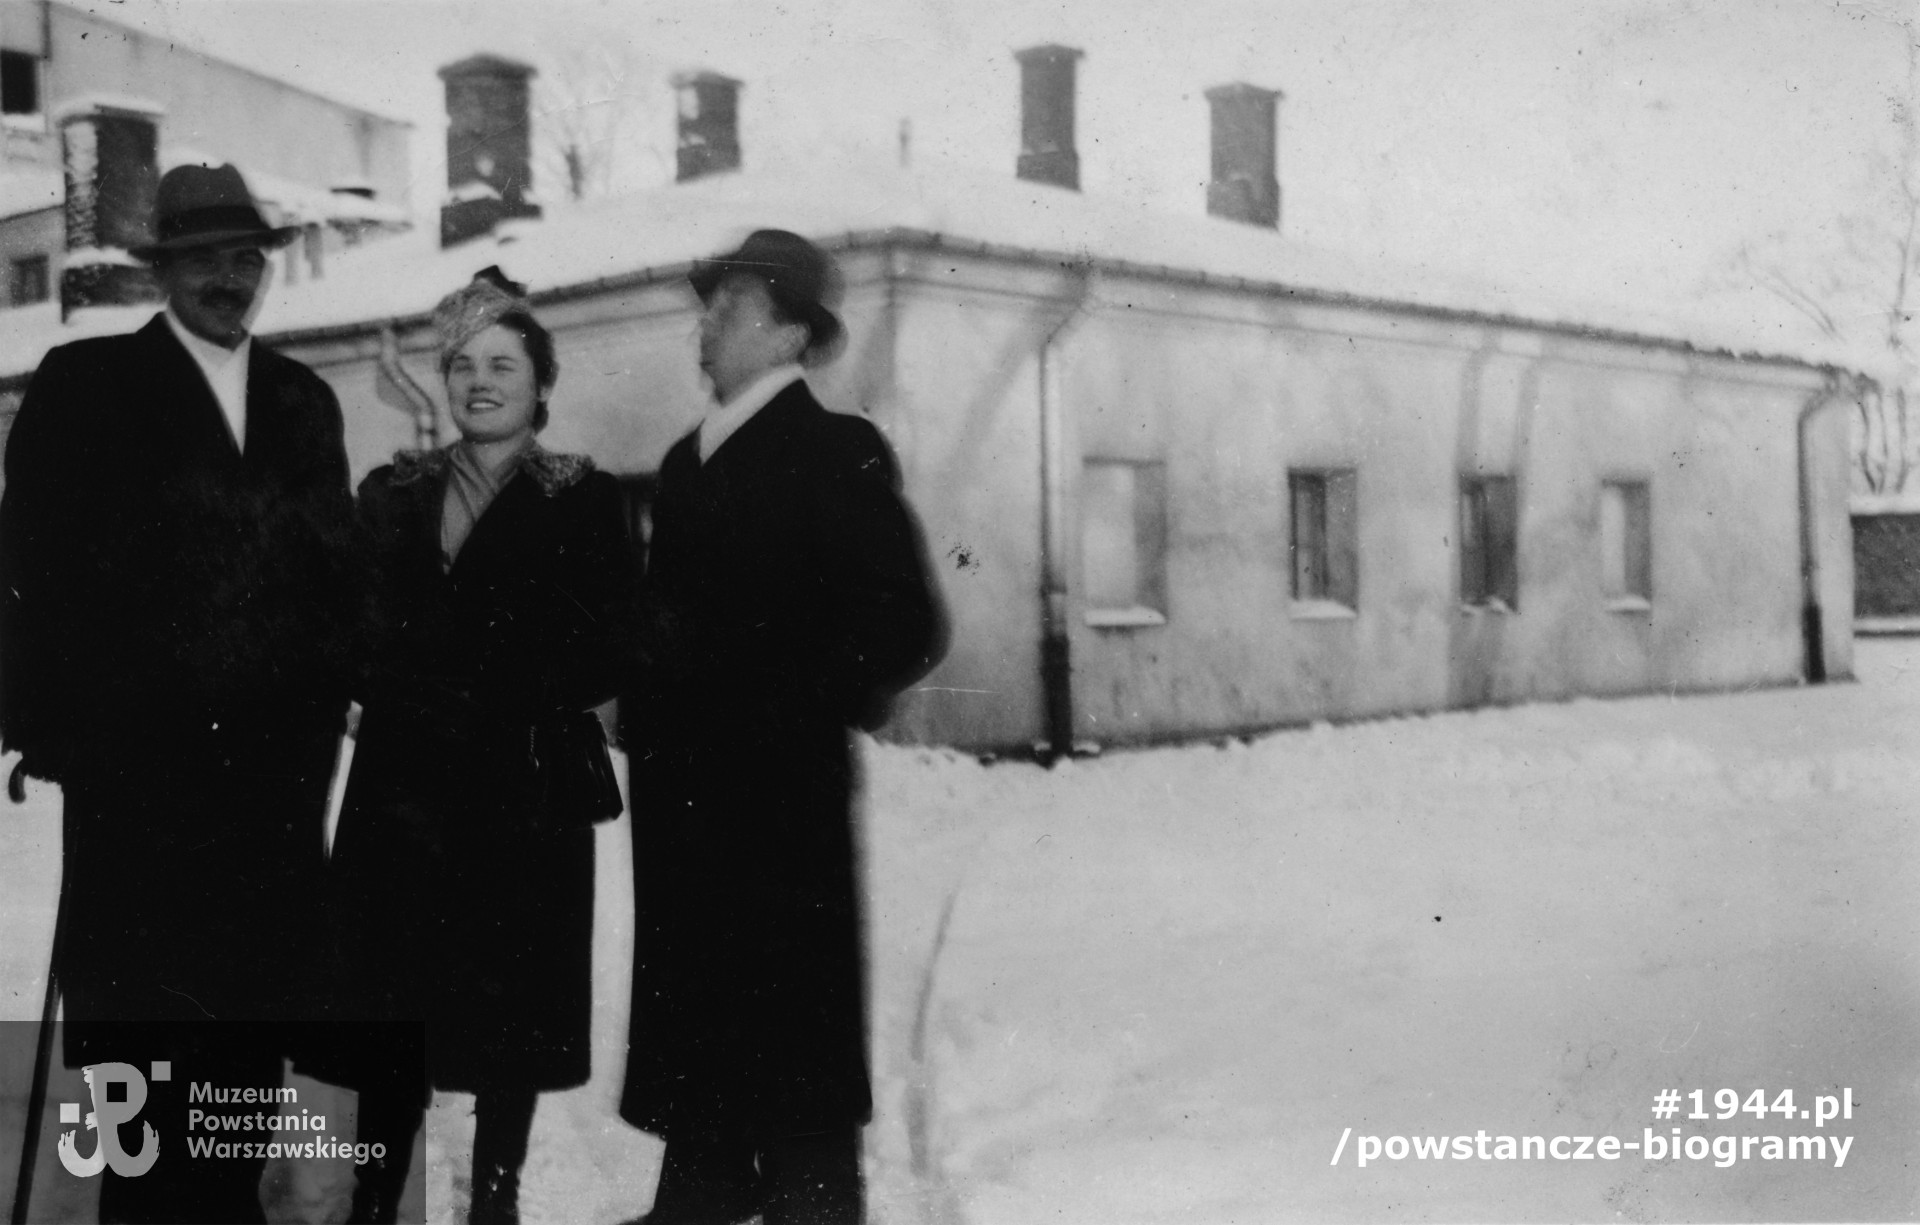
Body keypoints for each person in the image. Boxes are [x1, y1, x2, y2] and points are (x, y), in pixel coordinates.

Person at [0, 163, 363, 1223]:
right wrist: (46, 726)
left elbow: (333, 584)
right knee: (143, 1065)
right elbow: (28, 572)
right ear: (164, 267)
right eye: (206, 255)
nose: (231, 276)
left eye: (248, 255)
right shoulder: (85, 385)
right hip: (140, 799)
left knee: (246, 1055)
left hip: (273, 799)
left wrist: (331, 714)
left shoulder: (305, 402)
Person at [619, 230, 947, 1225]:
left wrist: (785, 712)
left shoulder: (833, 449)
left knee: (792, 1013)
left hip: (778, 803)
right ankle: (705, 1187)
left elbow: (905, 623)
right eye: (706, 305)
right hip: (681, 799)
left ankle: (814, 1197)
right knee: (698, 998)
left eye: (735, 306)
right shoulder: (682, 465)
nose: (707, 324)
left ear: (794, 332)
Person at [321, 269, 637, 1225]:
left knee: (514, 997)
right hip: (404, 787)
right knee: (391, 993)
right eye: (461, 364)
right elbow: (353, 624)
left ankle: (494, 1191)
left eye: (504, 363)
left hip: (521, 785)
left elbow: (602, 641)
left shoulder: (584, 497)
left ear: (543, 384)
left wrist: (477, 670)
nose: (479, 381)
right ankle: (383, 1190)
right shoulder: (394, 493)